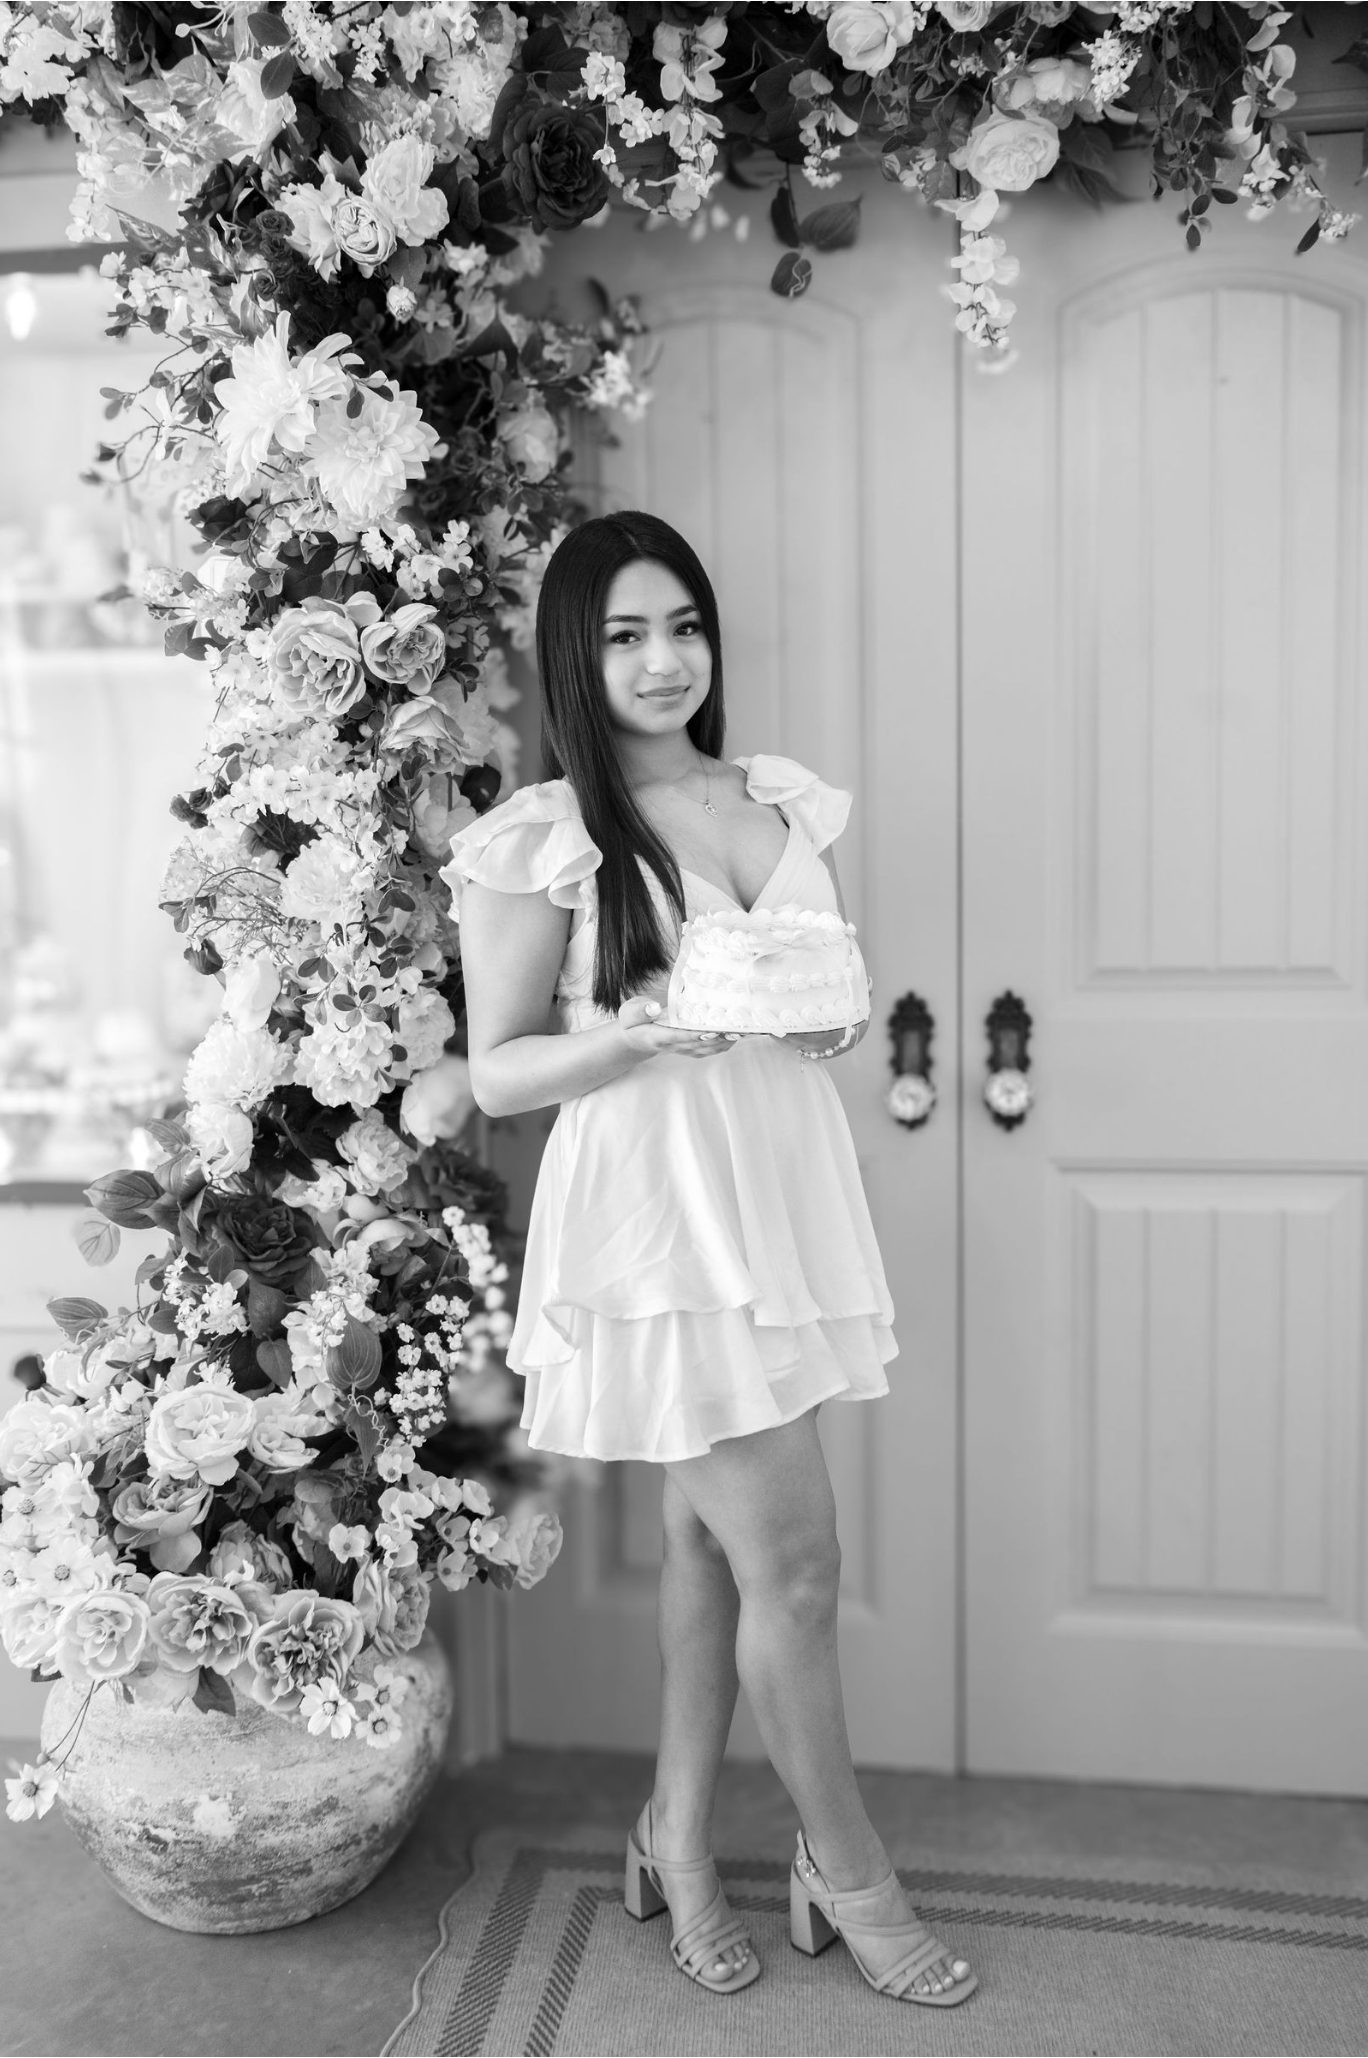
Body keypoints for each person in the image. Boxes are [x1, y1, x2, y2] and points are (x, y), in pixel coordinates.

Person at [443, 511, 977, 2009]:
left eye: (683, 624)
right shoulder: (543, 835)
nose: (665, 658)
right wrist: (624, 1036)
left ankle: (674, 1831)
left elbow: (821, 993)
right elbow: (495, 1073)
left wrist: (829, 1026)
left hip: (780, 1191)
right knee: (795, 1566)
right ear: (574, 653)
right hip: (661, 1215)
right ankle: (850, 1867)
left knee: (710, 1545)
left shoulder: (773, 797)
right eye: (623, 634)